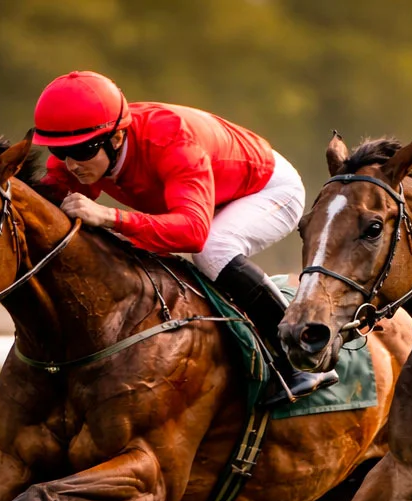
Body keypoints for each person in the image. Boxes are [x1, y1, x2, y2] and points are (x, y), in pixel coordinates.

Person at [31, 71, 335, 406]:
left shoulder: (170, 140)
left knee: (212, 249)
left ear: (116, 138)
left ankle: (302, 357)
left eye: (83, 151)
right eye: (62, 152)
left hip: (266, 188)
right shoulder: (88, 147)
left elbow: (192, 232)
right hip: (204, 193)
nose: (72, 164)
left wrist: (110, 216)